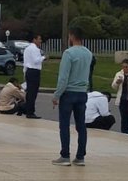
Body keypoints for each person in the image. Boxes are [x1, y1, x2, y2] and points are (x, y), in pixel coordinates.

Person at [51, 26, 92, 165]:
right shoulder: (88, 53)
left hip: (68, 93)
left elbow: (63, 77)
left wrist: (56, 95)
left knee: (64, 125)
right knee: (81, 125)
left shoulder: (69, 53)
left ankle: (65, 155)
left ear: (72, 36)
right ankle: (80, 156)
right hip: (82, 92)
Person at [22, 34, 45, 119]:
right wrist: (44, 57)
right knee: (33, 92)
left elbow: (25, 62)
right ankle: (30, 112)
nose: (40, 41)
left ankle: (27, 109)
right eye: (39, 39)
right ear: (34, 39)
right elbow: (36, 60)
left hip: (28, 70)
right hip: (34, 71)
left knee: (29, 92)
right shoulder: (35, 49)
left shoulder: (27, 49)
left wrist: (24, 73)